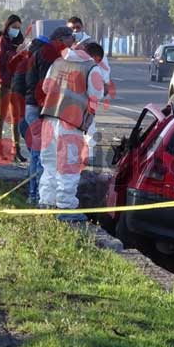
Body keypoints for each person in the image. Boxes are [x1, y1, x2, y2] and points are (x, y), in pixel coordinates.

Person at [39, 42, 104, 221]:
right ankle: (66, 208)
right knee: (68, 167)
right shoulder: (92, 69)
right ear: (94, 56)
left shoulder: (58, 62)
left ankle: (46, 203)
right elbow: (96, 96)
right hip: (71, 122)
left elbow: (45, 88)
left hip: (49, 119)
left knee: (50, 164)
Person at [67, 16, 110, 162]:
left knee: (89, 121)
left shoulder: (91, 45)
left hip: (90, 88)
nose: (74, 31)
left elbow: (103, 66)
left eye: (77, 28)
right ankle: (76, 152)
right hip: (75, 90)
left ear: (82, 27)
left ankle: (89, 153)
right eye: (71, 28)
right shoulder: (69, 45)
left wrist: (104, 83)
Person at [14, 35, 50, 203]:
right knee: (39, 155)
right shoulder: (39, 65)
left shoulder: (25, 63)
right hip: (33, 112)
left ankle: (32, 193)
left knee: (36, 154)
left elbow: (16, 90)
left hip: (25, 114)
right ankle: (36, 194)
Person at [0, 14, 26, 163]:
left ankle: (16, 148)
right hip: (2, 81)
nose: (16, 30)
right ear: (7, 26)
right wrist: (16, 53)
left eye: (18, 28)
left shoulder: (18, 41)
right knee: (1, 113)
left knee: (15, 116)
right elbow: (0, 61)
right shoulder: (1, 40)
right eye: (14, 27)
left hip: (15, 82)